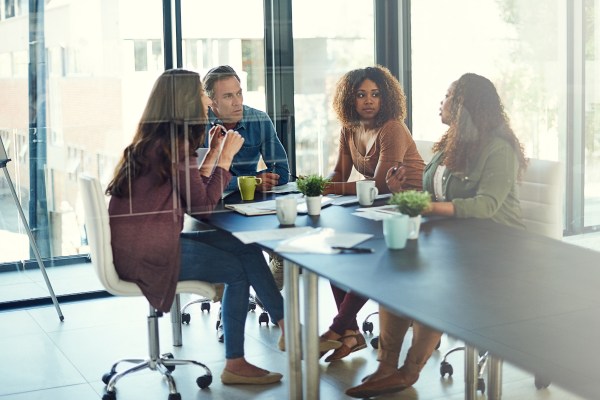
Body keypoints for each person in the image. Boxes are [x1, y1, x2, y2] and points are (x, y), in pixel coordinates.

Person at [345, 72, 528, 398]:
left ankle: (410, 370)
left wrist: (428, 207)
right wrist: (402, 190)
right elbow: (435, 192)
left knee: (434, 284)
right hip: (453, 238)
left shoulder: (498, 149)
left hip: (496, 246)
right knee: (394, 272)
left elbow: (485, 206)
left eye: (447, 96)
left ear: (463, 106)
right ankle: (386, 366)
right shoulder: (449, 146)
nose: (440, 103)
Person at [106, 69, 286, 386]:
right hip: (151, 253)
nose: (207, 100)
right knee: (236, 269)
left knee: (243, 246)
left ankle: (286, 326)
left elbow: (192, 190)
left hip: (144, 244)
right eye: (203, 94)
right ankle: (236, 362)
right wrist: (226, 158)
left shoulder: (161, 140)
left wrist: (216, 153)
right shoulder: (174, 145)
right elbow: (201, 207)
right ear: (188, 100)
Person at [319, 66, 425, 362]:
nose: (368, 101)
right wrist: (317, 186)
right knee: (336, 249)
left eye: (375, 94)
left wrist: (331, 188)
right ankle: (351, 334)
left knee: (369, 261)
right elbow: (339, 174)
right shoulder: (349, 129)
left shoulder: (392, 127)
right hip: (378, 208)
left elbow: (379, 184)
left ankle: (337, 329)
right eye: (361, 94)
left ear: (385, 97)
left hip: (412, 209)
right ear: (349, 99)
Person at [202, 65, 290, 289]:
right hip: (211, 205)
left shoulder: (258, 120)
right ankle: (230, 280)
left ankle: (271, 271)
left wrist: (256, 183)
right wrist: (251, 181)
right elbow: (198, 183)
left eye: (239, 93)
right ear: (212, 101)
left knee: (285, 224)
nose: (237, 101)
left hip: (250, 204)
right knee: (234, 251)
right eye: (228, 96)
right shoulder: (199, 126)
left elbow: (281, 172)